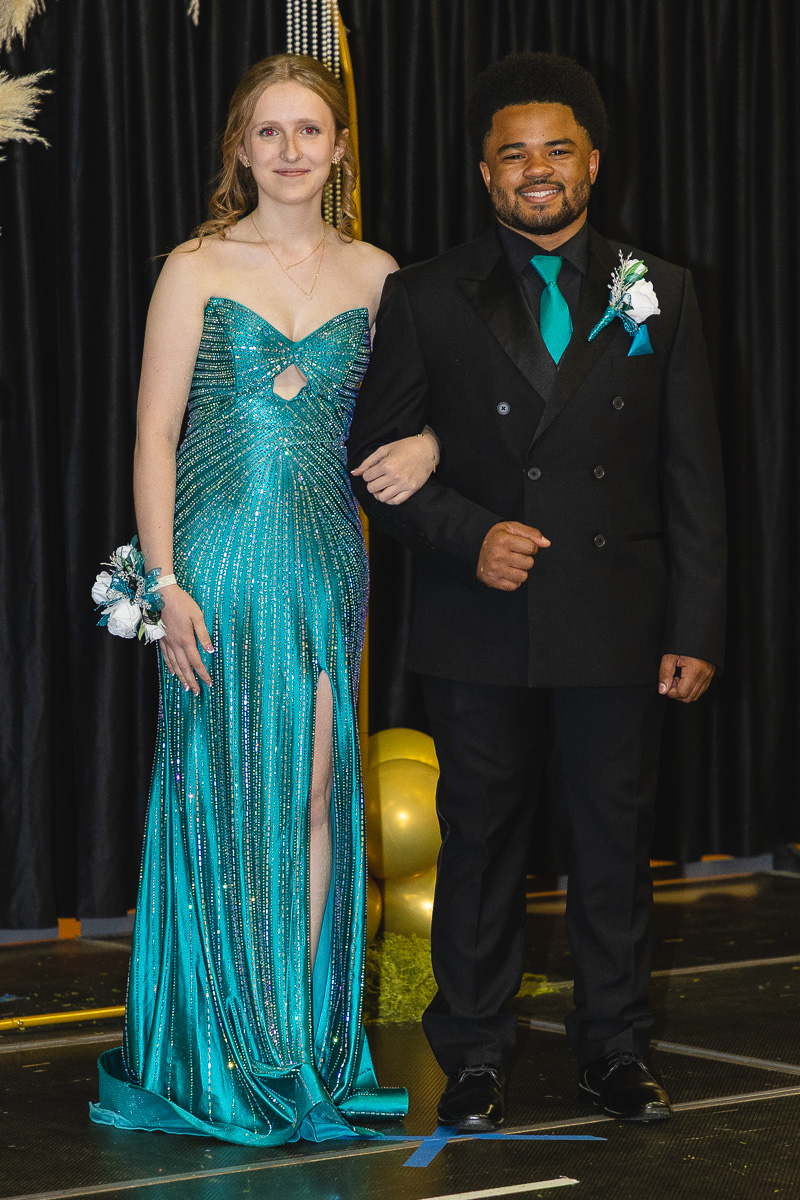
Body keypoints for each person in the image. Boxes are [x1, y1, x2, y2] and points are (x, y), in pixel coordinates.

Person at [349, 52, 726, 1129]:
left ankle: (615, 1050)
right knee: (479, 846)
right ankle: (472, 1058)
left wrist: (696, 623)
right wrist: (470, 536)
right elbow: (373, 461)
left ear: (592, 163)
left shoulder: (661, 289)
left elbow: (695, 476)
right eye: (513, 154)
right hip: (480, 618)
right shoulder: (424, 294)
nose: (537, 169)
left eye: (557, 149)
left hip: (617, 619)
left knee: (612, 843)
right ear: (485, 173)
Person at [90, 53, 438, 1145]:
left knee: (318, 792)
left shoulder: (379, 274)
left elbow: (416, 414)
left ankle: (299, 1040)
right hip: (215, 564)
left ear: (338, 149)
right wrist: (165, 582)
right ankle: (224, 1047)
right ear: (241, 149)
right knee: (223, 796)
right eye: (270, 131)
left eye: (310, 130)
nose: (291, 150)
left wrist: (429, 444)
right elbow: (153, 434)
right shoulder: (195, 267)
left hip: (326, 557)